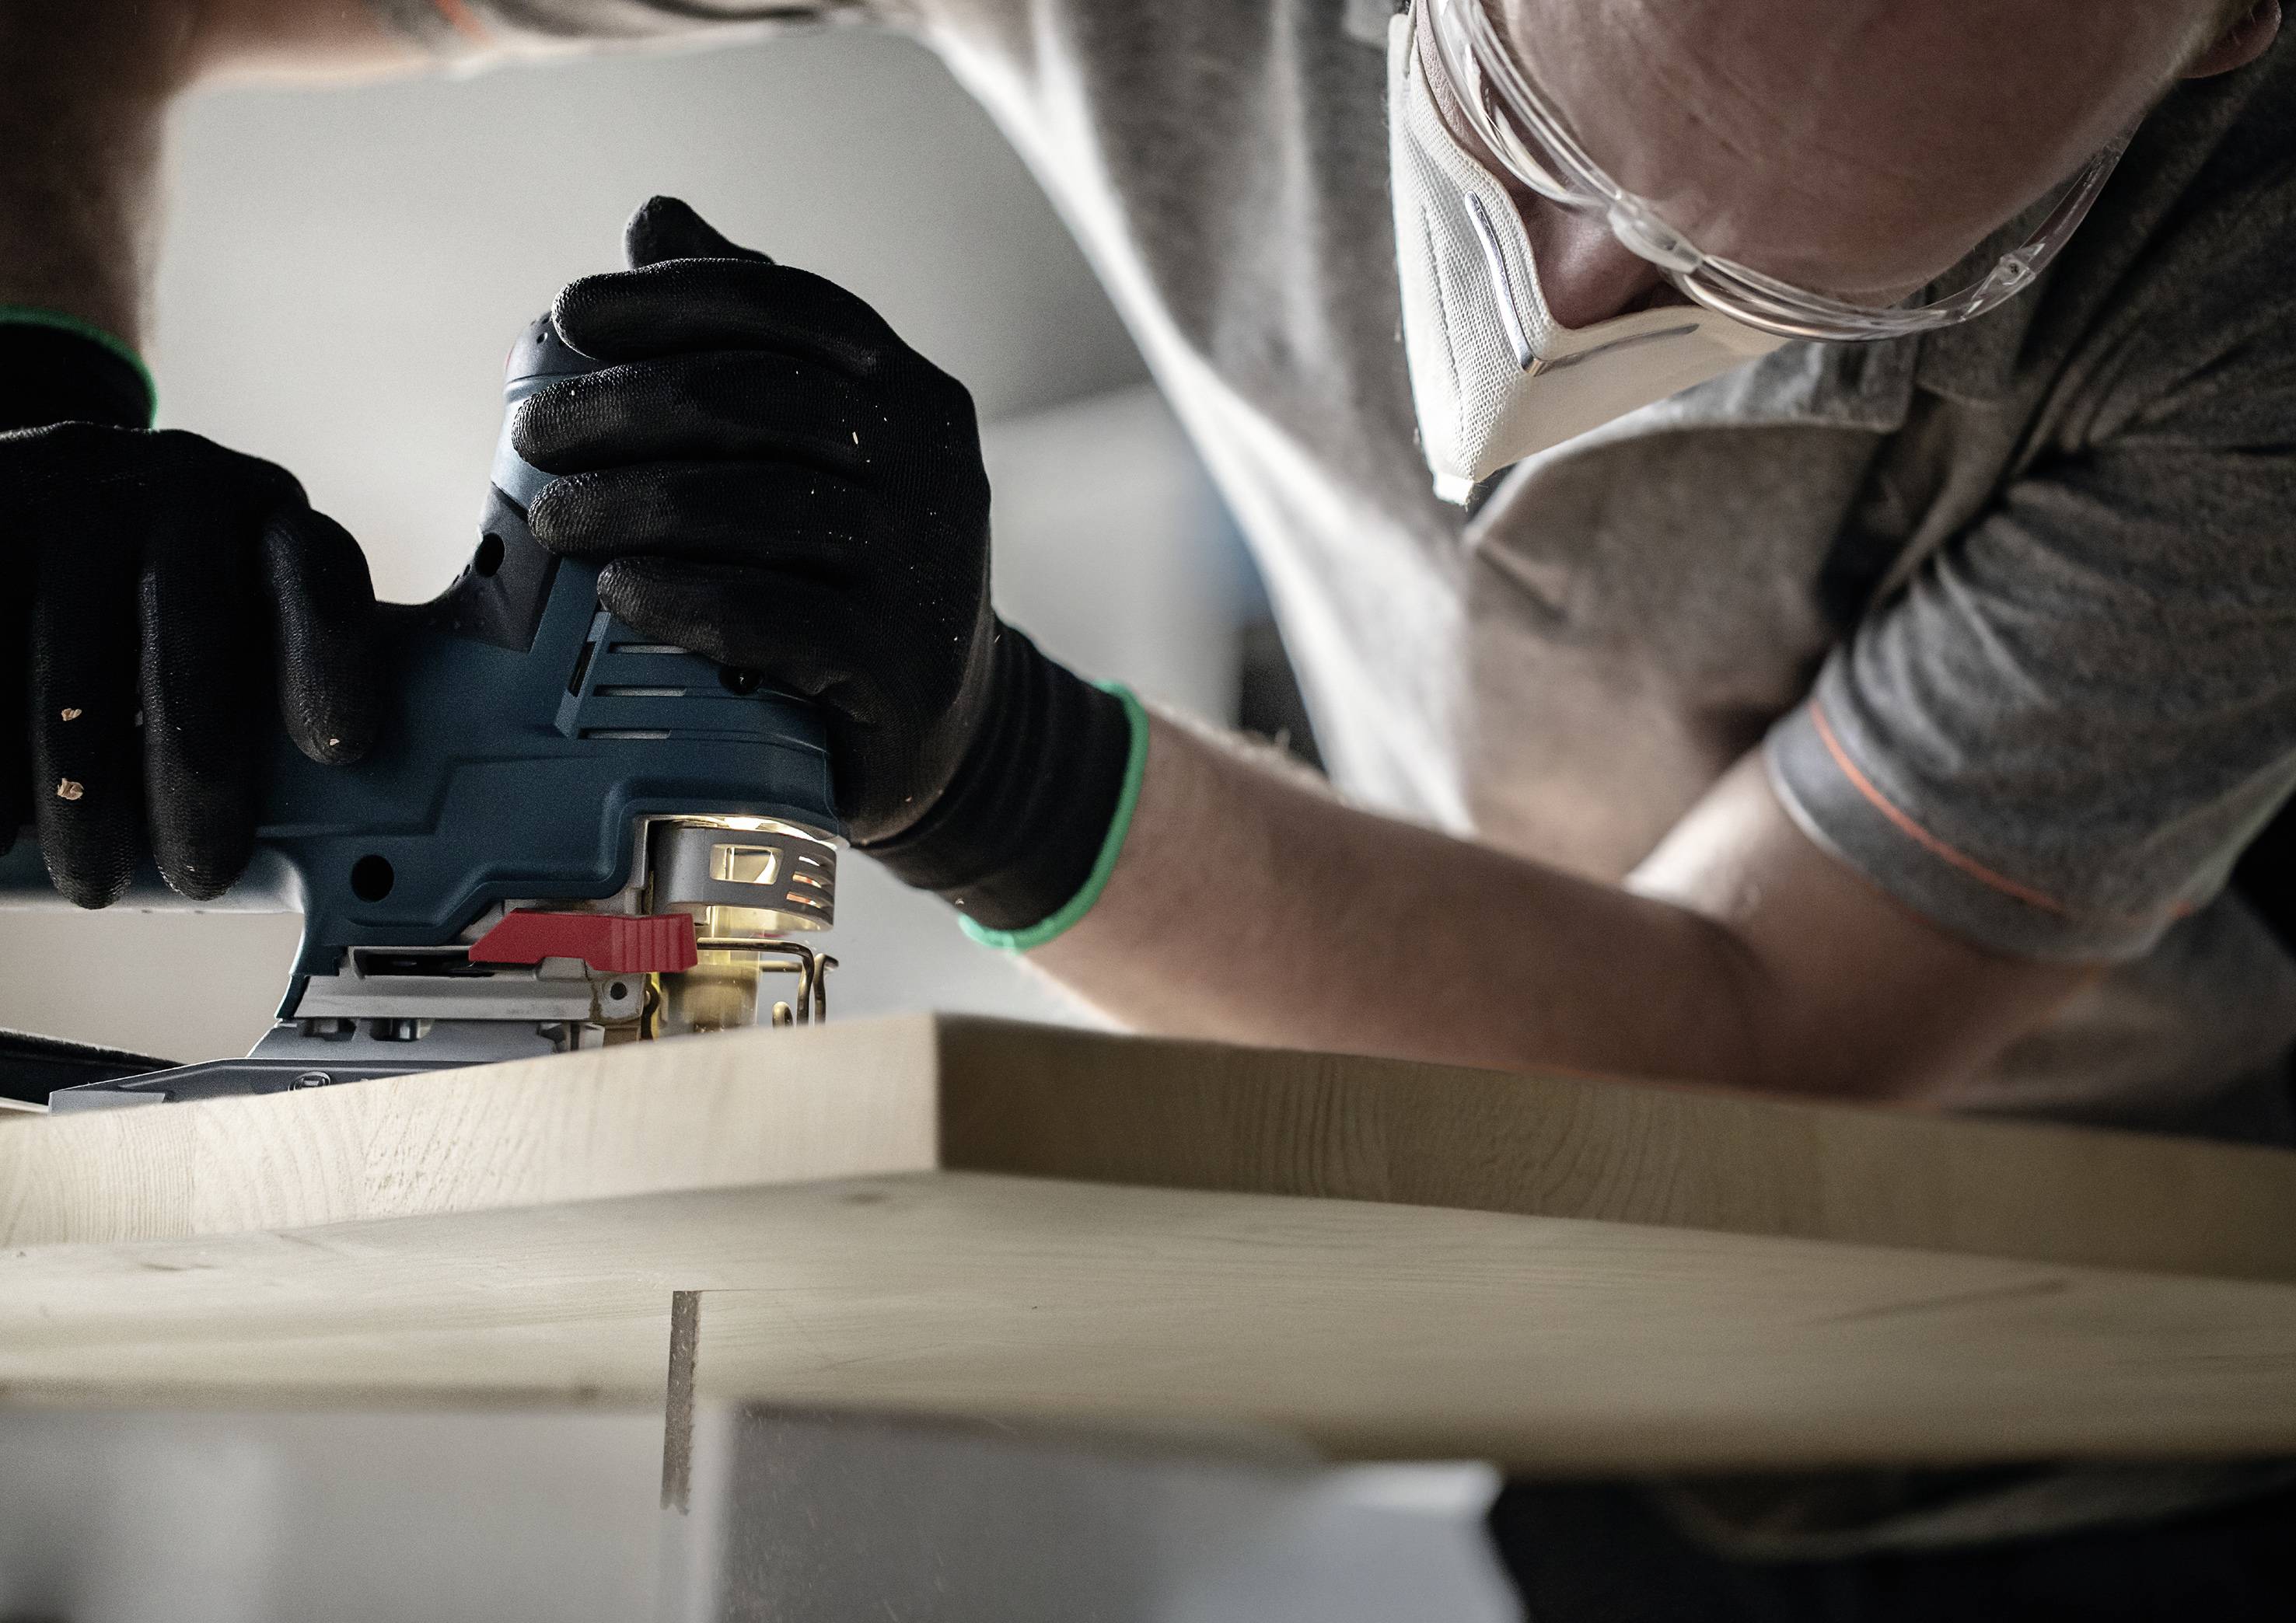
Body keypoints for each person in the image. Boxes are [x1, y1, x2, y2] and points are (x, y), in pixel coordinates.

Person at [2, 1, 2291, 1613]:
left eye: (1766, 283)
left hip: (2108, 1380)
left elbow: (1751, 1044)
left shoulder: (2257, 285)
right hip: (1572, 1387)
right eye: (1527, 130)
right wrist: (33, 421)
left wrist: (992, 763)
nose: (1566, 301)